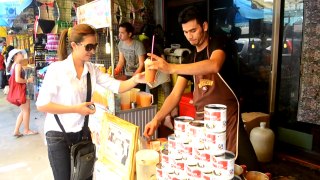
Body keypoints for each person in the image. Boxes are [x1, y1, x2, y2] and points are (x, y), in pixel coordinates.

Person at [143, 6, 259, 170]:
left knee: (247, 167)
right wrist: (157, 119)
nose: (189, 36)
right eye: (185, 32)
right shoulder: (191, 58)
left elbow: (214, 65)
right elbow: (175, 95)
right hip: (202, 124)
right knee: (206, 167)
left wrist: (171, 68)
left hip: (228, 120)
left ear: (204, 26)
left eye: (193, 30)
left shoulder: (218, 43)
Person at [36, 24, 146, 180]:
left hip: (82, 134)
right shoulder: (57, 70)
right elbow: (42, 105)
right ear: (74, 45)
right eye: (88, 47)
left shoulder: (92, 70)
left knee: (85, 177)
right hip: (58, 135)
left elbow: (117, 86)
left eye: (94, 46)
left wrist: (136, 79)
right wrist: (76, 109)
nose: (93, 51)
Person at [7, 49, 38, 137]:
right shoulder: (18, 65)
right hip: (21, 90)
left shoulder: (14, 65)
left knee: (23, 111)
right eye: (20, 53)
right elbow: (17, 79)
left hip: (19, 90)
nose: (22, 55)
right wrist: (28, 80)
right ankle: (26, 130)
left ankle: (16, 130)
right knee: (26, 110)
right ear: (15, 56)